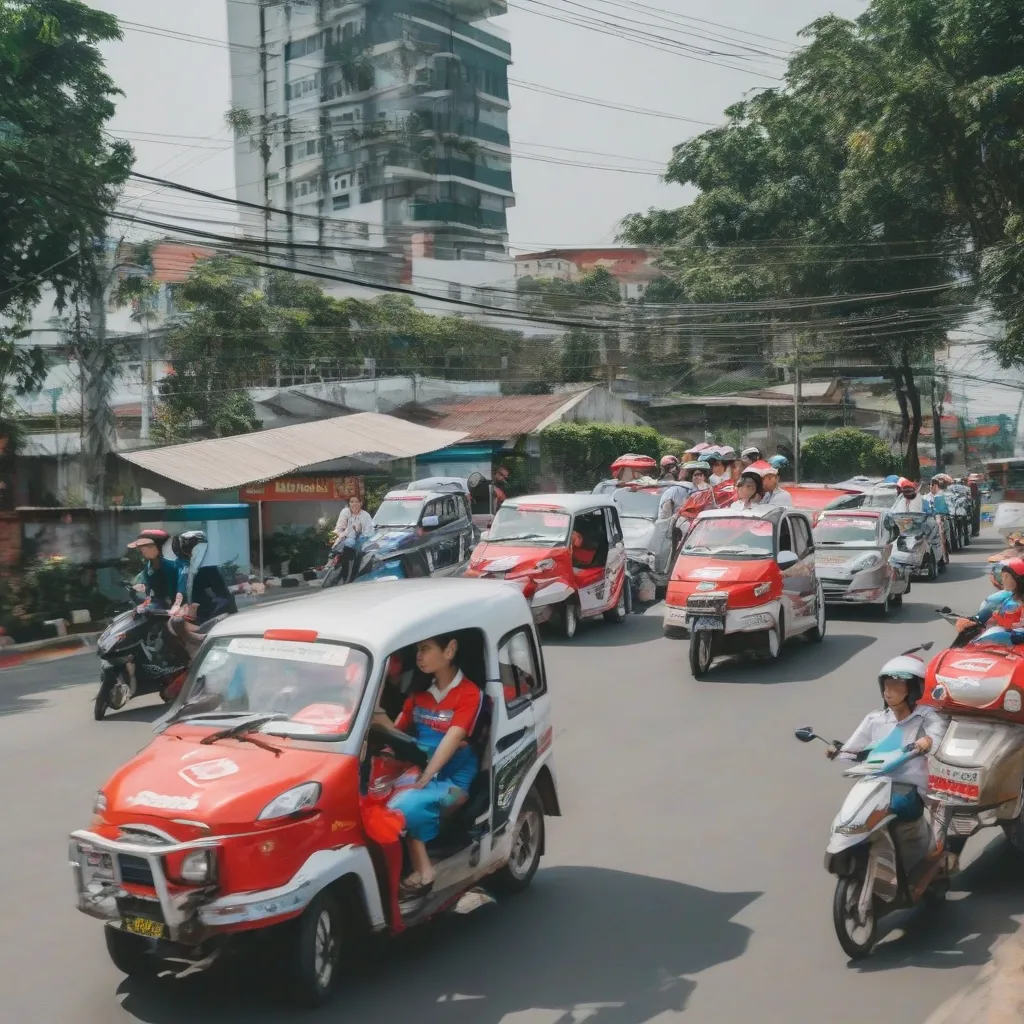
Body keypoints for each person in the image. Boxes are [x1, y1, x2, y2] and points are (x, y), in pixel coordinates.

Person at [379, 633, 483, 901]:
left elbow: (453, 739)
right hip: (417, 771)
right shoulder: (418, 695)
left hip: (452, 780)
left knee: (405, 804)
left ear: (450, 650)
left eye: (425, 649)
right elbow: (396, 735)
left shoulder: (470, 694)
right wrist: (375, 713)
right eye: (417, 650)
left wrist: (425, 776)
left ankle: (425, 872)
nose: (419, 657)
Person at [826, 654, 947, 823]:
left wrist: (926, 742)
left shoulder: (927, 716)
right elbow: (852, 750)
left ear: (913, 690)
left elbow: (937, 735)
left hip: (915, 786)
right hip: (876, 782)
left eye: (895, 686)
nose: (887, 693)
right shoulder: (875, 719)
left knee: (937, 829)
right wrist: (838, 751)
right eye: (885, 686)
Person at [956, 558, 1024, 636]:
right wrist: (971, 622)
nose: (1003, 580)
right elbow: (984, 617)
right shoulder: (1004, 598)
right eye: (1002, 576)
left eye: (1006, 576)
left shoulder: (1008, 600)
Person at [127, 529, 187, 611]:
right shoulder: (148, 566)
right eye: (140, 548)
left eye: (144, 547)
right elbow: (149, 588)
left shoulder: (173, 567)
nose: (140, 550)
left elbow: (177, 592)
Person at [333, 494, 375, 582]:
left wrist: (359, 533)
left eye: (356, 502)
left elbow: (370, 532)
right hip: (346, 542)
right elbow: (339, 528)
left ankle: (352, 577)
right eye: (352, 502)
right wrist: (341, 534)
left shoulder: (365, 515)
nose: (354, 504)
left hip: (360, 543)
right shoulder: (345, 512)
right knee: (347, 545)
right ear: (349, 503)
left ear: (361, 503)